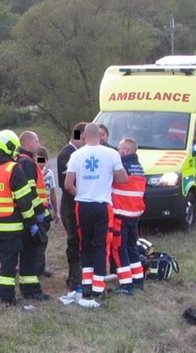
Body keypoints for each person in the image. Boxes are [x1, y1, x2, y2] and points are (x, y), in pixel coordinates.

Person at [62, 123, 128, 307]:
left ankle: (87, 284)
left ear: (84, 136)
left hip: (83, 206)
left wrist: (81, 194)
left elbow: (67, 184)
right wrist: (107, 176)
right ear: (100, 135)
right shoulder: (111, 154)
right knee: (101, 245)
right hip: (102, 205)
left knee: (84, 245)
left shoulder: (76, 155)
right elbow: (123, 178)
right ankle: (98, 287)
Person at [0, 129, 38, 305]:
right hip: (10, 227)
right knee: (8, 264)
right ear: (10, 147)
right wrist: (32, 222)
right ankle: (6, 297)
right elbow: (24, 201)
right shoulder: (13, 169)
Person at [14, 131, 49, 301]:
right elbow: (30, 192)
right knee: (31, 254)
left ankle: (29, 289)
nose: (39, 144)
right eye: (36, 141)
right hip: (32, 215)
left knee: (28, 254)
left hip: (28, 215)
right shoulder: (26, 162)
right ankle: (32, 291)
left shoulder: (23, 160)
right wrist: (40, 213)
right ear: (27, 143)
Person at [111, 137, 147, 293]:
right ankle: (138, 280)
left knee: (119, 248)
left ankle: (126, 285)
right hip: (134, 215)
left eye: (119, 148)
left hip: (121, 214)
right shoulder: (139, 167)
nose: (118, 151)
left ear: (125, 151)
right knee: (132, 247)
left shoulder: (122, 167)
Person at [56, 122, 87, 296]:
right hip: (70, 206)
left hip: (78, 204)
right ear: (80, 136)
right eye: (85, 138)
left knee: (80, 241)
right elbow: (67, 184)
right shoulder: (66, 155)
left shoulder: (79, 153)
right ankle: (74, 278)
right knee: (74, 241)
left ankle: (78, 276)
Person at [37, 146, 57, 277]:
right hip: (35, 211)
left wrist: (56, 210)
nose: (41, 163)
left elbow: (53, 192)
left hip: (46, 210)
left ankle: (42, 265)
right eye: (38, 160)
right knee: (37, 240)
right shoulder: (31, 172)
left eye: (43, 160)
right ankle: (36, 266)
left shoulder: (49, 174)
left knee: (43, 239)